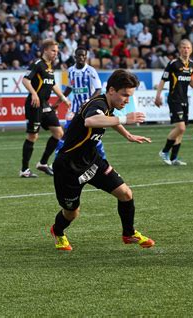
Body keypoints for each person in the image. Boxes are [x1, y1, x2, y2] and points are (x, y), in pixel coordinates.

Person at [50, 69, 155, 251]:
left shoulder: (108, 106)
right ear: (112, 90)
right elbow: (91, 121)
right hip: (69, 168)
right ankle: (58, 231)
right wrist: (125, 119)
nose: (126, 100)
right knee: (71, 213)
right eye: (124, 95)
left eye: (130, 96)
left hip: (92, 161)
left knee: (125, 194)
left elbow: (108, 120)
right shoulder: (97, 104)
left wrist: (127, 135)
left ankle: (128, 234)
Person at [20, 39, 71, 178]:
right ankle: (24, 170)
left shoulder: (49, 66)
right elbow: (25, 80)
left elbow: (53, 84)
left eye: (57, 51)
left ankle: (42, 163)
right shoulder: (37, 64)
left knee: (59, 133)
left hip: (45, 105)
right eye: (53, 51)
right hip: (34, 105)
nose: (56, 53)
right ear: (45, 50)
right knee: (33, 136)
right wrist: (34, 94)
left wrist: (64, 99)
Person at [155, 39, 193, 166]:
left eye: (188, 47)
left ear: (191, 49)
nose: (186, 49)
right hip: (174, 99)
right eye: (183, 47)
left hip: (184, 99)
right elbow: (162, 80)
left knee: (181, 130)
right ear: (179, 49)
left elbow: (191, 81)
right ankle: (165, 151)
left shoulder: (192, 65)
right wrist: (158, 96)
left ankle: (173, 158)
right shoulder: (173, 64)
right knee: (180, 127)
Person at [54, 47, 103, 158]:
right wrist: (58, 102)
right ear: (75, 57)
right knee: (65, 134)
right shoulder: (70, 70)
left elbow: (98, 89)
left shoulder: (90, 71)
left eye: (84, 55)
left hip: (89, 109)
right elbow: (69, 88)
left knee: (93, 135)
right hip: (75, 109)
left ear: (86, 57)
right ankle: (57, 160)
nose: (81, 57)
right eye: (79, 55)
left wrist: (88, 101)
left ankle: (103, 159)